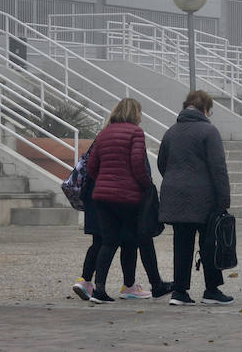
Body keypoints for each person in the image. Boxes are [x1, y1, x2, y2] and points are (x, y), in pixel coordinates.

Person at [73, 98, 171, 304]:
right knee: (141, 238)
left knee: (108, 242)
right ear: (135, 114)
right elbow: (137, 163)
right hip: (128, 197)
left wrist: (105, 180)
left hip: (102, 196)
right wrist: (146, 185)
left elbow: (91, 166)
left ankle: (99, 290)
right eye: (140, 113)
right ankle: (155, 284)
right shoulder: (135, 133)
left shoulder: (104, 133)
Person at [157, 89, 232, 306]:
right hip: (203, 196)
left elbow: (163, 163)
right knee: (210, 242)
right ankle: (211, 290)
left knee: (181, 242)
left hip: (174, 194)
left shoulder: (171, 132)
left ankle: (179, 291)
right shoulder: (209, 132)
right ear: (206, 109)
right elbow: (218, 168)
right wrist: (223, 199)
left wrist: (176, 181)